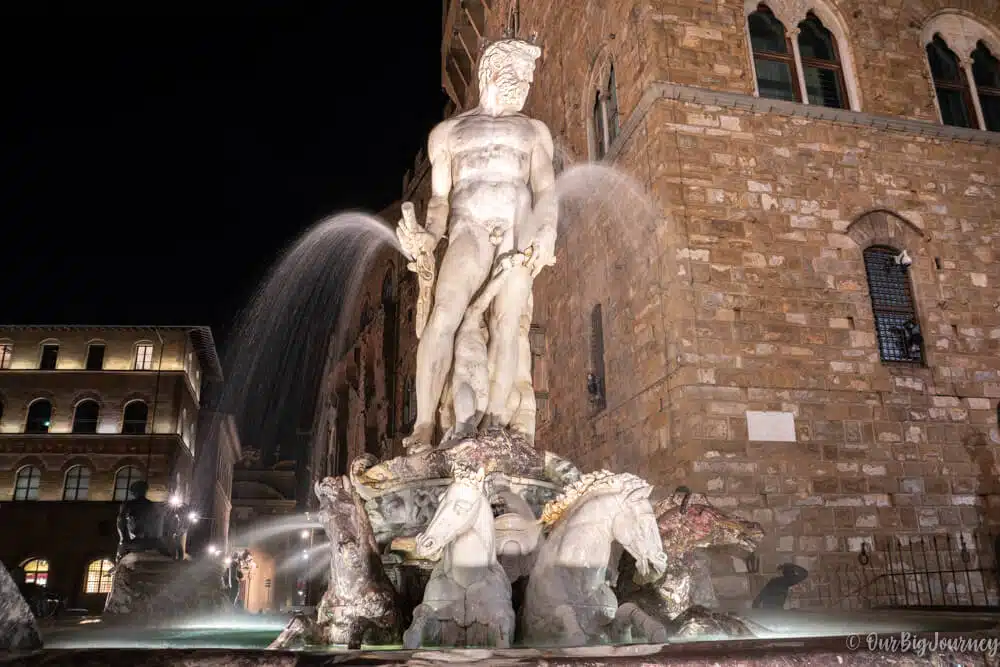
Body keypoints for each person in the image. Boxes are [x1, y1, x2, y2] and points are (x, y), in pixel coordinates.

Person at [396, 39, 557, 453]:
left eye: (527, 78)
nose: (523, 85)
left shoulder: (533, 131)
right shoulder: (447, 134)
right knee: (444, 315)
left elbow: (545, 188)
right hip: (467, 228)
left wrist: (547, 231)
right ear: (488, 71)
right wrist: (428, 238)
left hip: (517, 227)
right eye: (516, 74)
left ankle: (498, 423)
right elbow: (439, 201)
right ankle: (426, 423)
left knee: (509, 324)